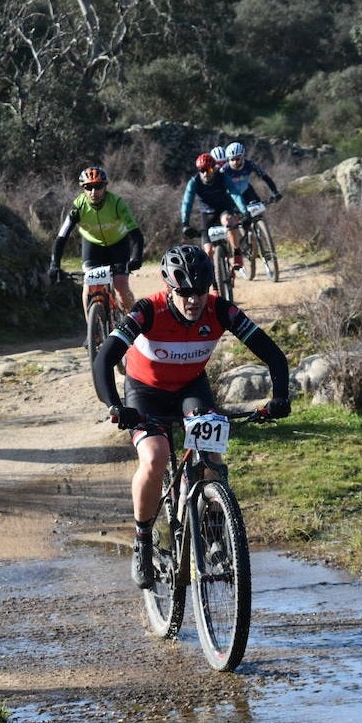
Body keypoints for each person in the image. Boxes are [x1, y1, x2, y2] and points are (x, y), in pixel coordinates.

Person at [92, 244, 290, 589]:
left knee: (212, 456)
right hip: (145, 392)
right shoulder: (146, 311)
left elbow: (273, 354)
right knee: (155, 458)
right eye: (184, 292)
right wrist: (114, 405)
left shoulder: (221, 310)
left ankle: (213, 532)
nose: (193, 300)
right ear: (170, 288)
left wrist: (281, 397)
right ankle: (142, 542)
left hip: (190, 388)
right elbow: (104, 359)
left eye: (200, 291)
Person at [48, 166, 145, 311]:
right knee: (89, 288)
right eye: (89, 187)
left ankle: (134, 323)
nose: (94, 192)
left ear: (105, 187)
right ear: (83, 189)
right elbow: (62, 237)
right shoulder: (78, 207)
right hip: (93, 247)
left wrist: (136, 258)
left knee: (120, 285)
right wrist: (54, 264)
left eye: (98, 186)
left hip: (118, 245)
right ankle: (92, 332)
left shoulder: (117, 203)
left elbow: (136, 234)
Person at [179, 153, 248, 275]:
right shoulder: (194, 182)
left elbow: (235, 193)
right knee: (208, 252)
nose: (206, 173)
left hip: (223, 210)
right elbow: (187, 202)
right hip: (207, 215)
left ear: (214, 168)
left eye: (209, 169)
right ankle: (215, 285)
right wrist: (185, 223)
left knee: (229, 221)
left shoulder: (222, 177)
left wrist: (244, 211)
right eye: (202, 170)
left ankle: (237, 253)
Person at [221, 141, 282, 205]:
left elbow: (265, 177)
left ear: (242, 157)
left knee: (257, 209)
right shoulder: (224, 169)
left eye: (238, 159)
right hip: (231, 195)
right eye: (232, 159)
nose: (235, 162)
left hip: (246, 192)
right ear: (228, 159)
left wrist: (275, 192)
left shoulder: (249, 164)